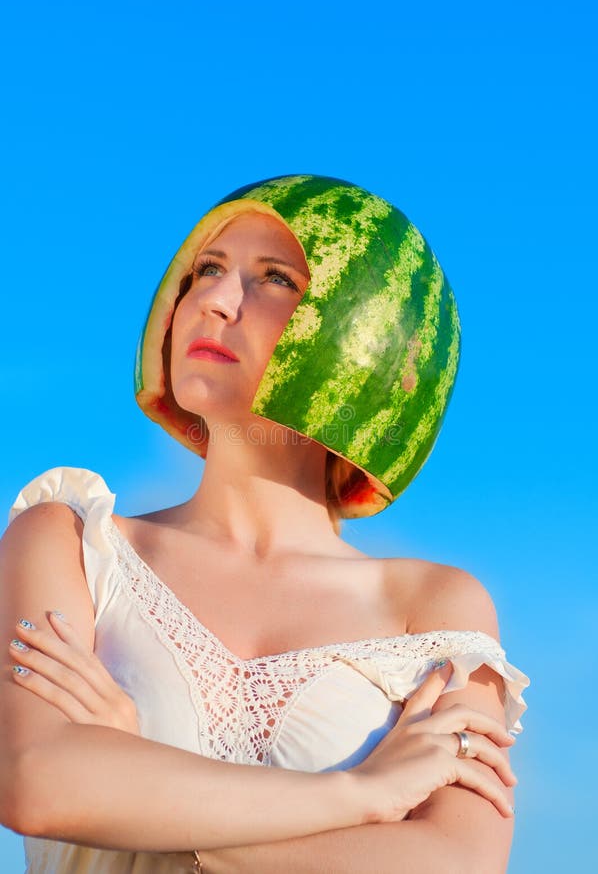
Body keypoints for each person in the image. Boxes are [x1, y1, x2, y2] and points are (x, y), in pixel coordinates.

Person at [0, 175, 529, 873]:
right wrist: (360, 794)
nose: (214, 302)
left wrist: (141, 781)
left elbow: (452, 863)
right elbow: (37, 781)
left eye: (275, 279)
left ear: (380, 338)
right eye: (207, 271)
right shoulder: (67, 540)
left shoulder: (434, 607)